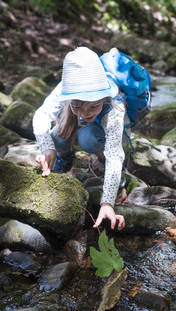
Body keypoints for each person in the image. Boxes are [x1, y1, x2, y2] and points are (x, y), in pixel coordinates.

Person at [32, 47, 126, 231]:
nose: (84, 114)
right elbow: (41, 115)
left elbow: (116, 154)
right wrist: (47, 148)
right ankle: (64, 158)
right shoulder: (64, 90)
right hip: (73, 123)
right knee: (54, 137)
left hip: (99, 135)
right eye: (76, 106)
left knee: (88, 137)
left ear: (103, 98)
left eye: (93, 107)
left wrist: (107, 203)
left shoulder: (115, 104)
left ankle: (102, 161)